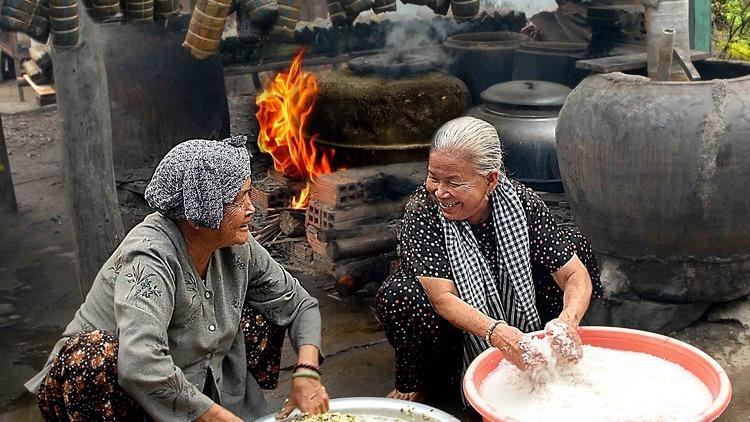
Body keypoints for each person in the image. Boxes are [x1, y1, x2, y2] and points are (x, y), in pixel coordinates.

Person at [25, 135, 329, 421]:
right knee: (93, 355)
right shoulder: (150, 258)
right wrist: (216, 417)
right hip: (118, 393)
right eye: (239, 199)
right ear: (199, 215)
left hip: (183, 374)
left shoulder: (238, 246)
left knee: (259, 314)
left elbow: (299, 304)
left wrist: (306, 370)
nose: (251, 208)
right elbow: (140, 363)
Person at [375, 117, 603, 402]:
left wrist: (567, 322)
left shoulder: (522, 202)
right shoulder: (424, 210)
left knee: (574, 246)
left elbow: (573, 275)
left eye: (454, 182)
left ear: (491, 180)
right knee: (401, 295)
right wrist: (497, 333)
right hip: (453, 331)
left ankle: (554, 350)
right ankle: (427, 383)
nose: (440, 192)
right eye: (434, 177)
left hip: (522, 310)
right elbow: (443, 298)